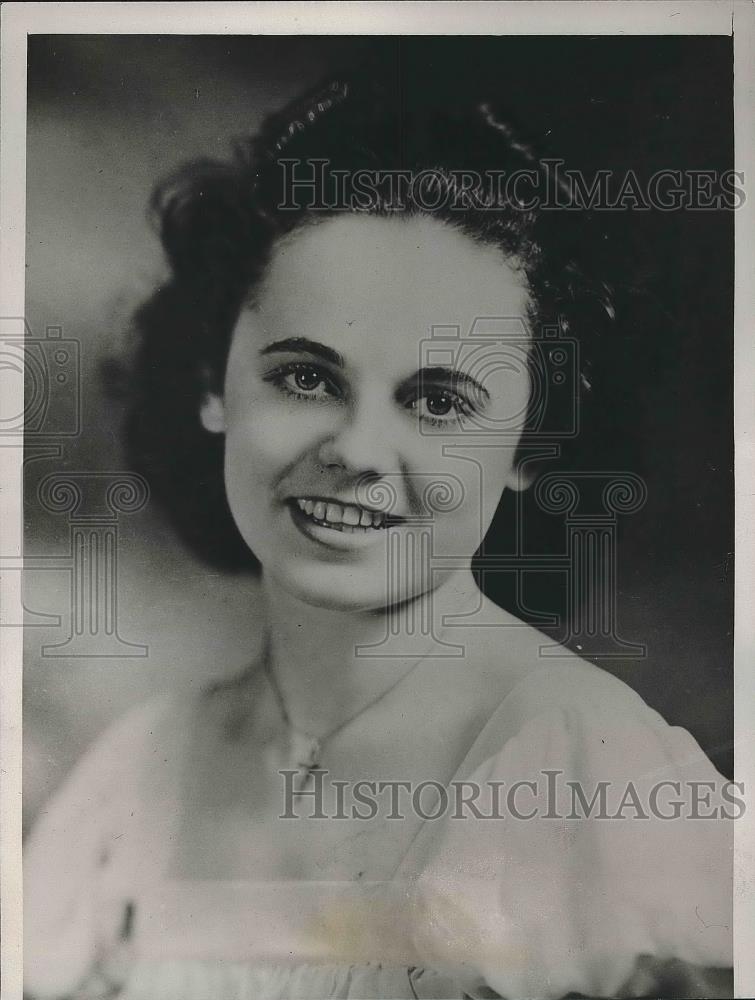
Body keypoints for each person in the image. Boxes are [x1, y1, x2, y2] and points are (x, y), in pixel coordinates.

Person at [23, 69, 734, 1000]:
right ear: (211, 381)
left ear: (530, 444)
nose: (356, 448)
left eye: (436, 401)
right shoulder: (137, 778)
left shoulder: (584, 770)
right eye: (307, 378)